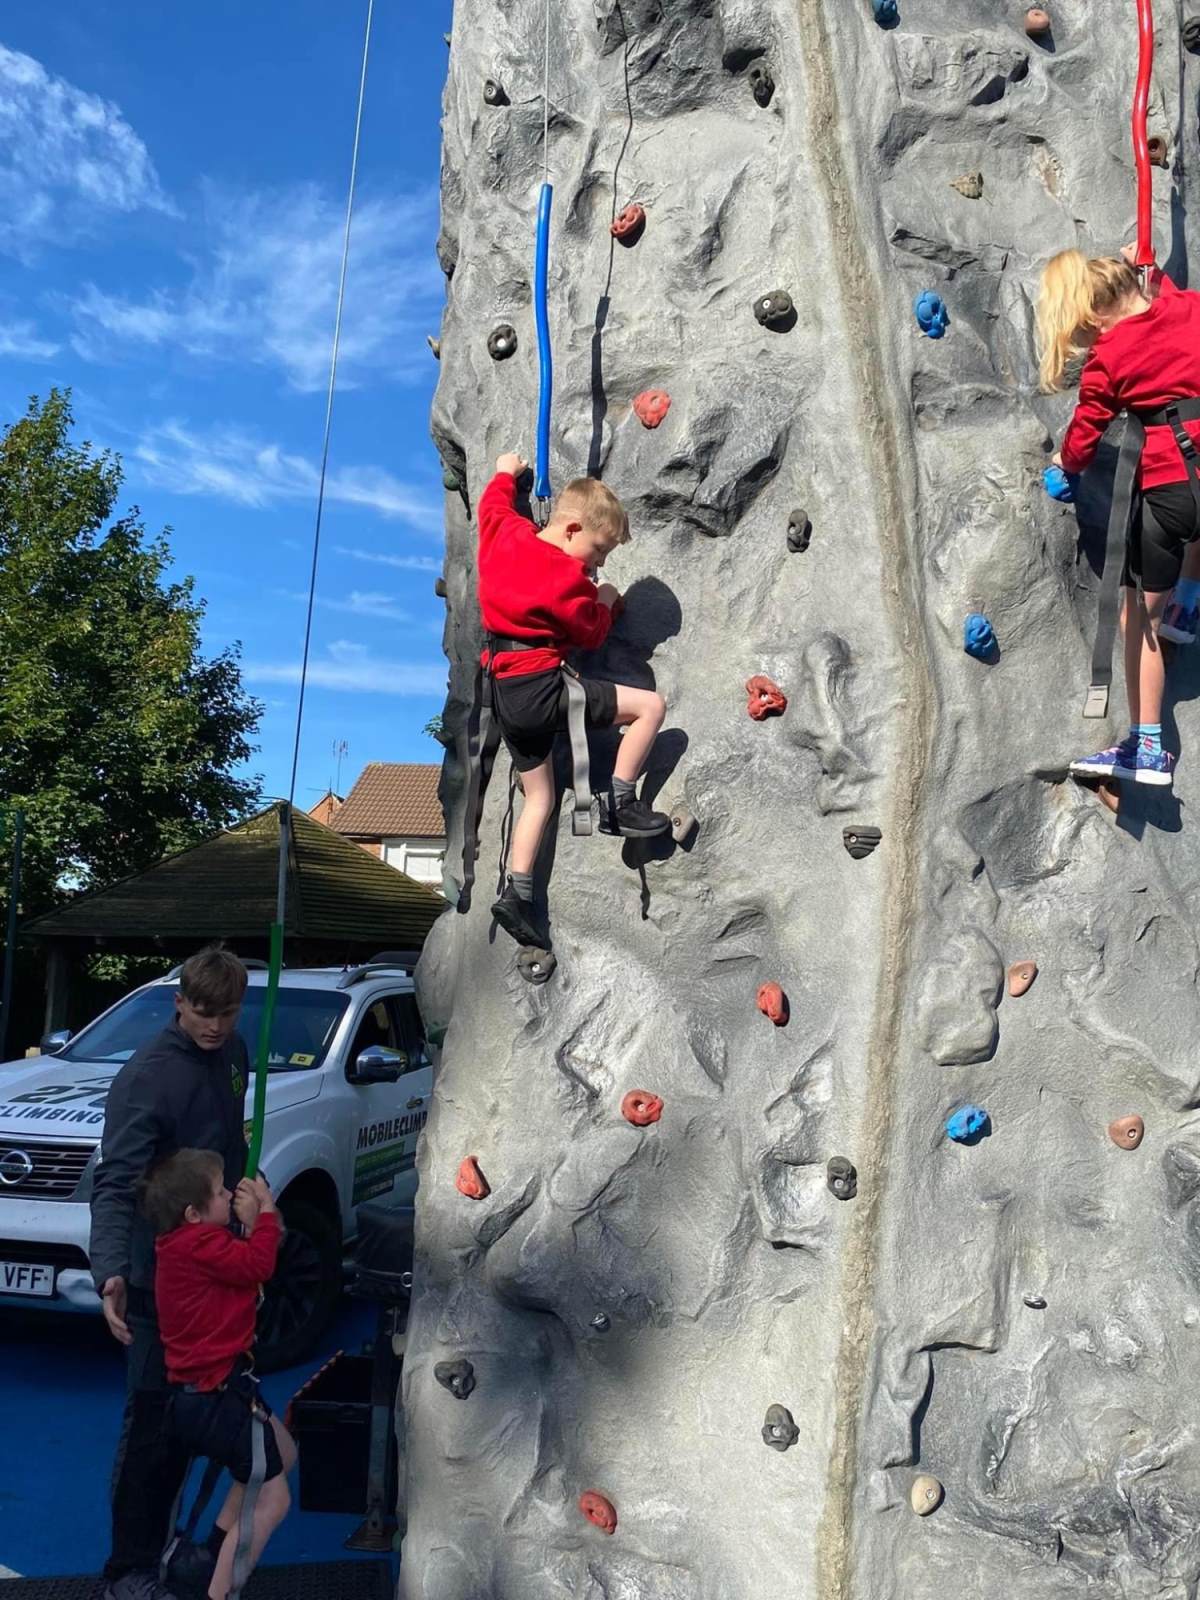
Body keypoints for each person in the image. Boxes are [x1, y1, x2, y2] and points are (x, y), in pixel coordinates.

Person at [90, 947, 253, 1600]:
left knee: (200, 1419)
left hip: (214, 1276)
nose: (214, 1025)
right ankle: (128, 1573)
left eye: (227, 1013)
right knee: (153, 1428)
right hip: (155, 1282)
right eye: (203, 1011)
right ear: (179, 1002)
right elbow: (114, 1183)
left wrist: (241, 1218)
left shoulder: (235, 1055)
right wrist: (110, 1270)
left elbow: (231, 1148)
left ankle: (178, 1554)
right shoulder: (146, 1078)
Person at [478, 451, 670, 948]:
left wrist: (505, 473)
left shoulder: (506, 535)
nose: (598, 564)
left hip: (502, 693)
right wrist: (604, 599)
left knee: (540, 797)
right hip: (542, 688)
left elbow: (493, 508)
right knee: (650, 707)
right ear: (570, 530)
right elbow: (590, 634)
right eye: (598, 551)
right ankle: (621, 803)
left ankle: (517, 894)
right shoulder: (566, 581)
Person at [1037, 247, 1200, 788]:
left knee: (1138, 619)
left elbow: (1086, 433)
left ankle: (1147, 747)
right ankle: (1188, 605)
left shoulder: (1110, 356)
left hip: (1172, 490)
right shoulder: (1188, 307)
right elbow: (1170, 301)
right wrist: (1155, 275)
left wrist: (1064, 463)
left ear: (1094, 315)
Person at [144, 1151, 294, 1600]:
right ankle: (219, 1591)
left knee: (283, 1452)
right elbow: (259, 1266)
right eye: (221, 1191)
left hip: (214, 1393)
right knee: (273, 1500)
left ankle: (211, 1557)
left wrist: (252, 1226)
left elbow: (241, 1265)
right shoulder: (199, 1245)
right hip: (217, 1398)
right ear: (193, 1214)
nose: (230, 1195)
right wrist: (265, 1214)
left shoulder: (186, 1244)